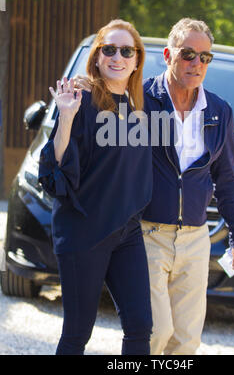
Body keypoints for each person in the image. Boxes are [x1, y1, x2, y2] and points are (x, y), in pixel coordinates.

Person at [74, 17, 234, 356]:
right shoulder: (141, 99)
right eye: (187, 54)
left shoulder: (219, 111)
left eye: (204, 57)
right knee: (154, 332)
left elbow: (226, 179)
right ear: (168, 55)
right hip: (146, 233)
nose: (196, 64)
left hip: (196, 240)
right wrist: (87, 86)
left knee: (185, 341)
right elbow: (106, 99)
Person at [38, 19, 153, 355]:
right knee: (77, 333)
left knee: (140, 326)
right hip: (84, 232)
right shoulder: (80, 100)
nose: (117, 57)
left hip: (127, 232)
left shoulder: (140, 108)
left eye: (126, 51)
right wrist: (67, 116)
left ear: (136, 60)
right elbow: (56, 166)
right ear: (98, 56)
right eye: (109, 49)